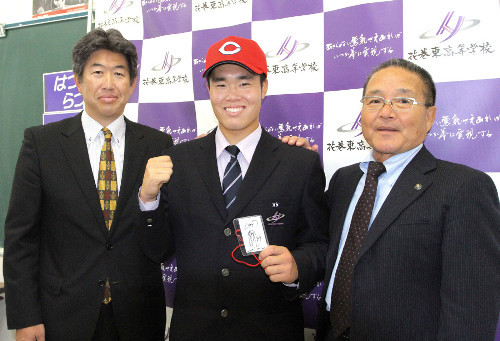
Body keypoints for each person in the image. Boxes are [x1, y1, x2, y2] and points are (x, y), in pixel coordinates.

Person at [138, 36, 329, 340]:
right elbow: (159, 250)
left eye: (244, 82)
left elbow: (320, 244)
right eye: (221, 84)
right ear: (209, 91)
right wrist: (147, 198)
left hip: (270, 331)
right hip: (195, 331)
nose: (232, 95)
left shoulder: (300, 163)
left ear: (263, 87)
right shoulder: (178, 161)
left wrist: (298, 267)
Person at [4, 28, 172, 341]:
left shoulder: (158, 145)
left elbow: (164, 241)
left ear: (132, 84)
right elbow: (20, 239)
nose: (109, 83)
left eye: (119, 73)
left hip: (138, 316)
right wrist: (25, 317)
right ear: (79, 81)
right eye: (97, 72)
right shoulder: (42, 144)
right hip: (62, 315)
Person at [314, 59, 500, 340]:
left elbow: (471, 307)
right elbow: (317, 246)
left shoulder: (464, 187)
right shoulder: (343, 180)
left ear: (430, 116)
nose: (386, 113)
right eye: (374, 100)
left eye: (403, 101)